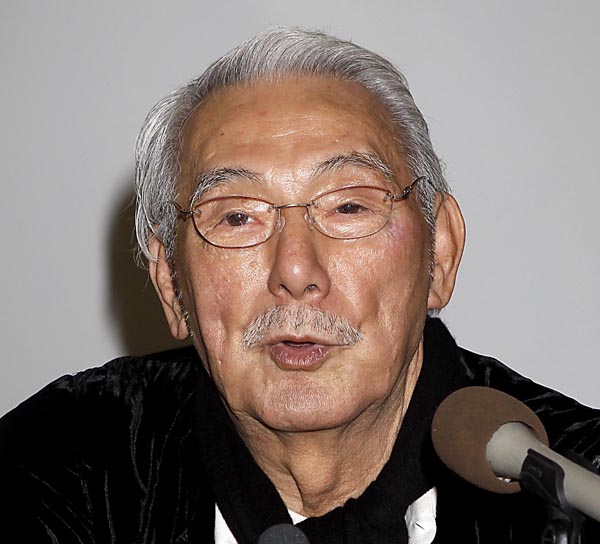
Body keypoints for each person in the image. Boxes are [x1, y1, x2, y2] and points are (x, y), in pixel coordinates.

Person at [1, 27, 599, 543]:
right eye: (237, 216)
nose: (294, 271)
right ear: (169, 282)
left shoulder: (572, 479)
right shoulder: (64, 464)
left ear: (439, 252)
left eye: (348, 207)